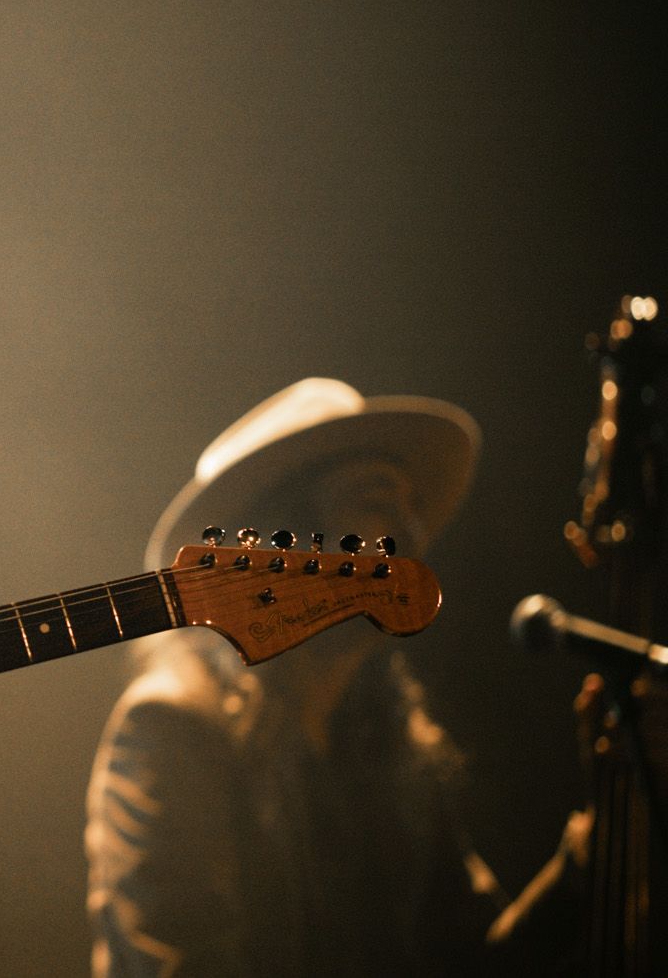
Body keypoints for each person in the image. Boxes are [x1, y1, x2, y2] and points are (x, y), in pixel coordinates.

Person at [84, 378, 583, 976]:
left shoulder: (393, 747)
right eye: (375, 499)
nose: (413, 530)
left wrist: (583, 868)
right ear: (280, 544)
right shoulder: (174, 726)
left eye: (412, 505)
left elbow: (471, 960)